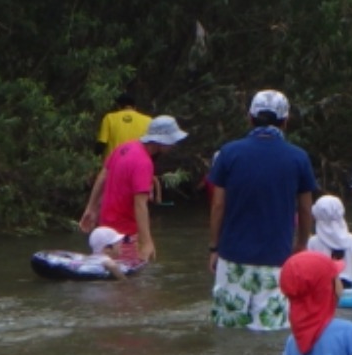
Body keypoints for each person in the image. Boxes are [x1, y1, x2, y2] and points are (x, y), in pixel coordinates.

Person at [208, 91, 318, 332]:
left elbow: (218, 206)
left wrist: (214, 247)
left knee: (229, 332)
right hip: (277, 258)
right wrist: (301, 246)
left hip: (233, 255)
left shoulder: (228, 153)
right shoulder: (298, 158)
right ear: (285, 121)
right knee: (271, 330)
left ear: (250, 118)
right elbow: (306, 208)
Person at [80, 115, 188, 262]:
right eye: (172, 140)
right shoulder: (144, 163)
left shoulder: (124, 147)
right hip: (125, 232)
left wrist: (91, 208)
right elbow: (140, 205)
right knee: (130, 282)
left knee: (109, 271)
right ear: (161, 141)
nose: (174, 144)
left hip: (105, 229)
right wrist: (147, 242)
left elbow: (103, 176)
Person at [307, 194, 352, 286]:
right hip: (348, 284)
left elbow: (309, 267)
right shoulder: (351, 239)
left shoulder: (313, 241)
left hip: (324, 285)